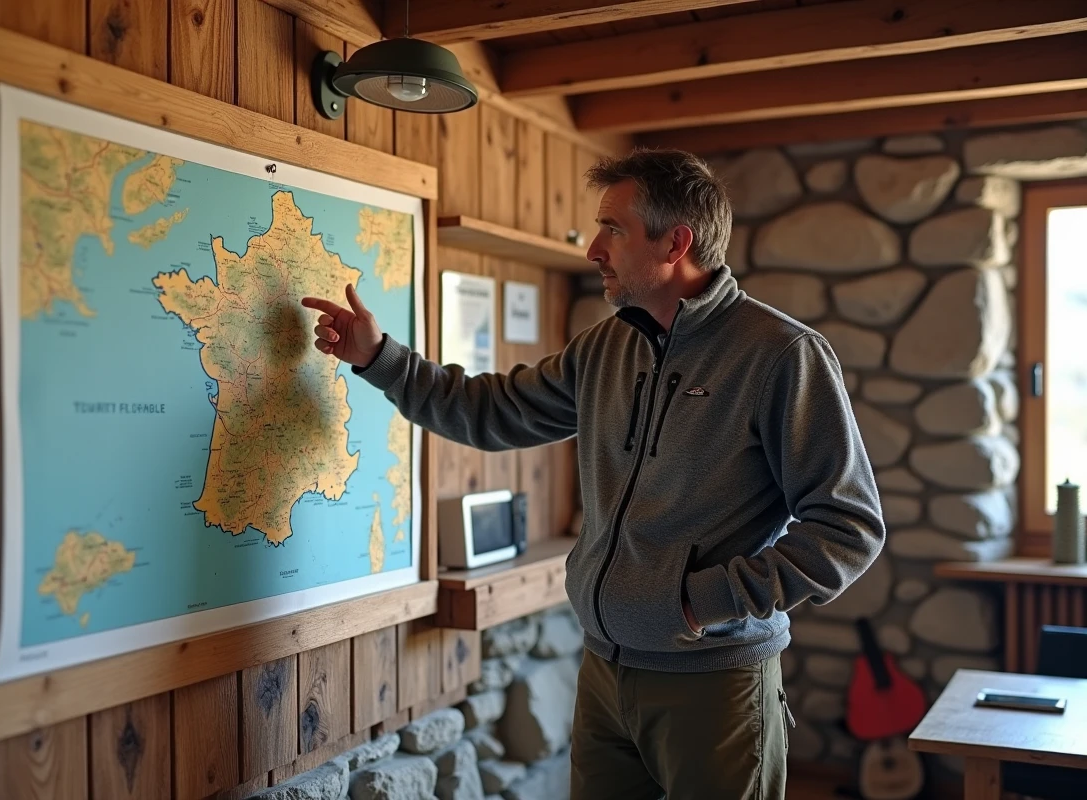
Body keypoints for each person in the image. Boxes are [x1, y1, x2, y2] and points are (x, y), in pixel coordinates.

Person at [301, 148, 885, 799]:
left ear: (677, 242)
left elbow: (848, 526)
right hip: (604, 671)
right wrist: (380, 358)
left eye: (614, 228)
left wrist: (702, 602)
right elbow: (489, 410)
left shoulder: (781, 355)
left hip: (712, 682)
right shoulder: (607, 346)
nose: (593, 249)